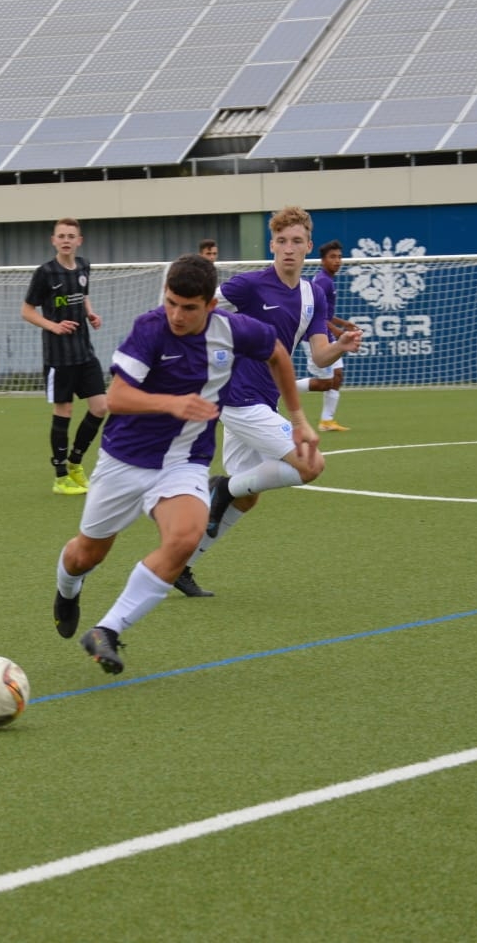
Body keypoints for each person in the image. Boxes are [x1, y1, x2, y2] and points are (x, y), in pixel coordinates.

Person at [51, 254, 308, 674]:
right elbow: (116, 397)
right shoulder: (150, 328)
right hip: (125, 460)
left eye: (189, 307)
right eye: (171, 302)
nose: (176, 315)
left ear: (211, 305)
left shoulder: (233, 330)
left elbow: (277, 353)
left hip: (184, 462)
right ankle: (68, 589)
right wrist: (172, 404)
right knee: (87, 554)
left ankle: (107, 630)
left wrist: (298, 420)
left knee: (185, 537)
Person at [174, 206, 362, 598]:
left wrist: (341, 346)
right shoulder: (250, 285)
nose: (289, 248)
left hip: (263, 399)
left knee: (248, 498)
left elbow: (320, 356)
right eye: (281, 241)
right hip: (235, 397)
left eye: (296, 241)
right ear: (271, 245)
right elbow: (197, 306)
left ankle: (181, 566)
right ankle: (223, 488)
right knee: (311, 464)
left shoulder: (313, 294)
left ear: (308, 245)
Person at [21, 217, 107, 495]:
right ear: (53, 241)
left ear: (79, 241)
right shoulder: (45, 273)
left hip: (85, 352)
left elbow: (83, 295)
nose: (66, 240)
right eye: (61, 236)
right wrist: (53, 326)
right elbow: (27, 311)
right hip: (59, 357)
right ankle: (60, 477)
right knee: (64, 411)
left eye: (71, 236)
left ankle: (75, 462)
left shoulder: (84, 266)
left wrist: (90, 313)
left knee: (101, 407)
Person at [297, 240, 355, 431]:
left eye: (339, 257)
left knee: (337, 376)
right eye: (332, 257)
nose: (337, 261)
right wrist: (337, 331)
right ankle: (283, 388)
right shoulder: (323, 281)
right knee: (326, 382)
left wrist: (342, 323)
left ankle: (326, 421)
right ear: (323, 260)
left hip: (325, 332)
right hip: (315, 336)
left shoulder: (327, 280)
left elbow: (325, 313)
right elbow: (315, 313)